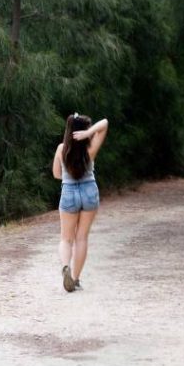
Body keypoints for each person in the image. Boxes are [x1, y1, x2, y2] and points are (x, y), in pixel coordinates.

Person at [52, 113, 109, 292]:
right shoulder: (90, 148)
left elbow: (56, 174)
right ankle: (75, 279)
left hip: (69, 191)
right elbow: (105, 123)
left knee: (66, 238)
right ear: (83, 131)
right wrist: (88, 134)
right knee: (81, 237)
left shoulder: (61, 149)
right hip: (89, 190)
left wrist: (67, 174)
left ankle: (65, 267)